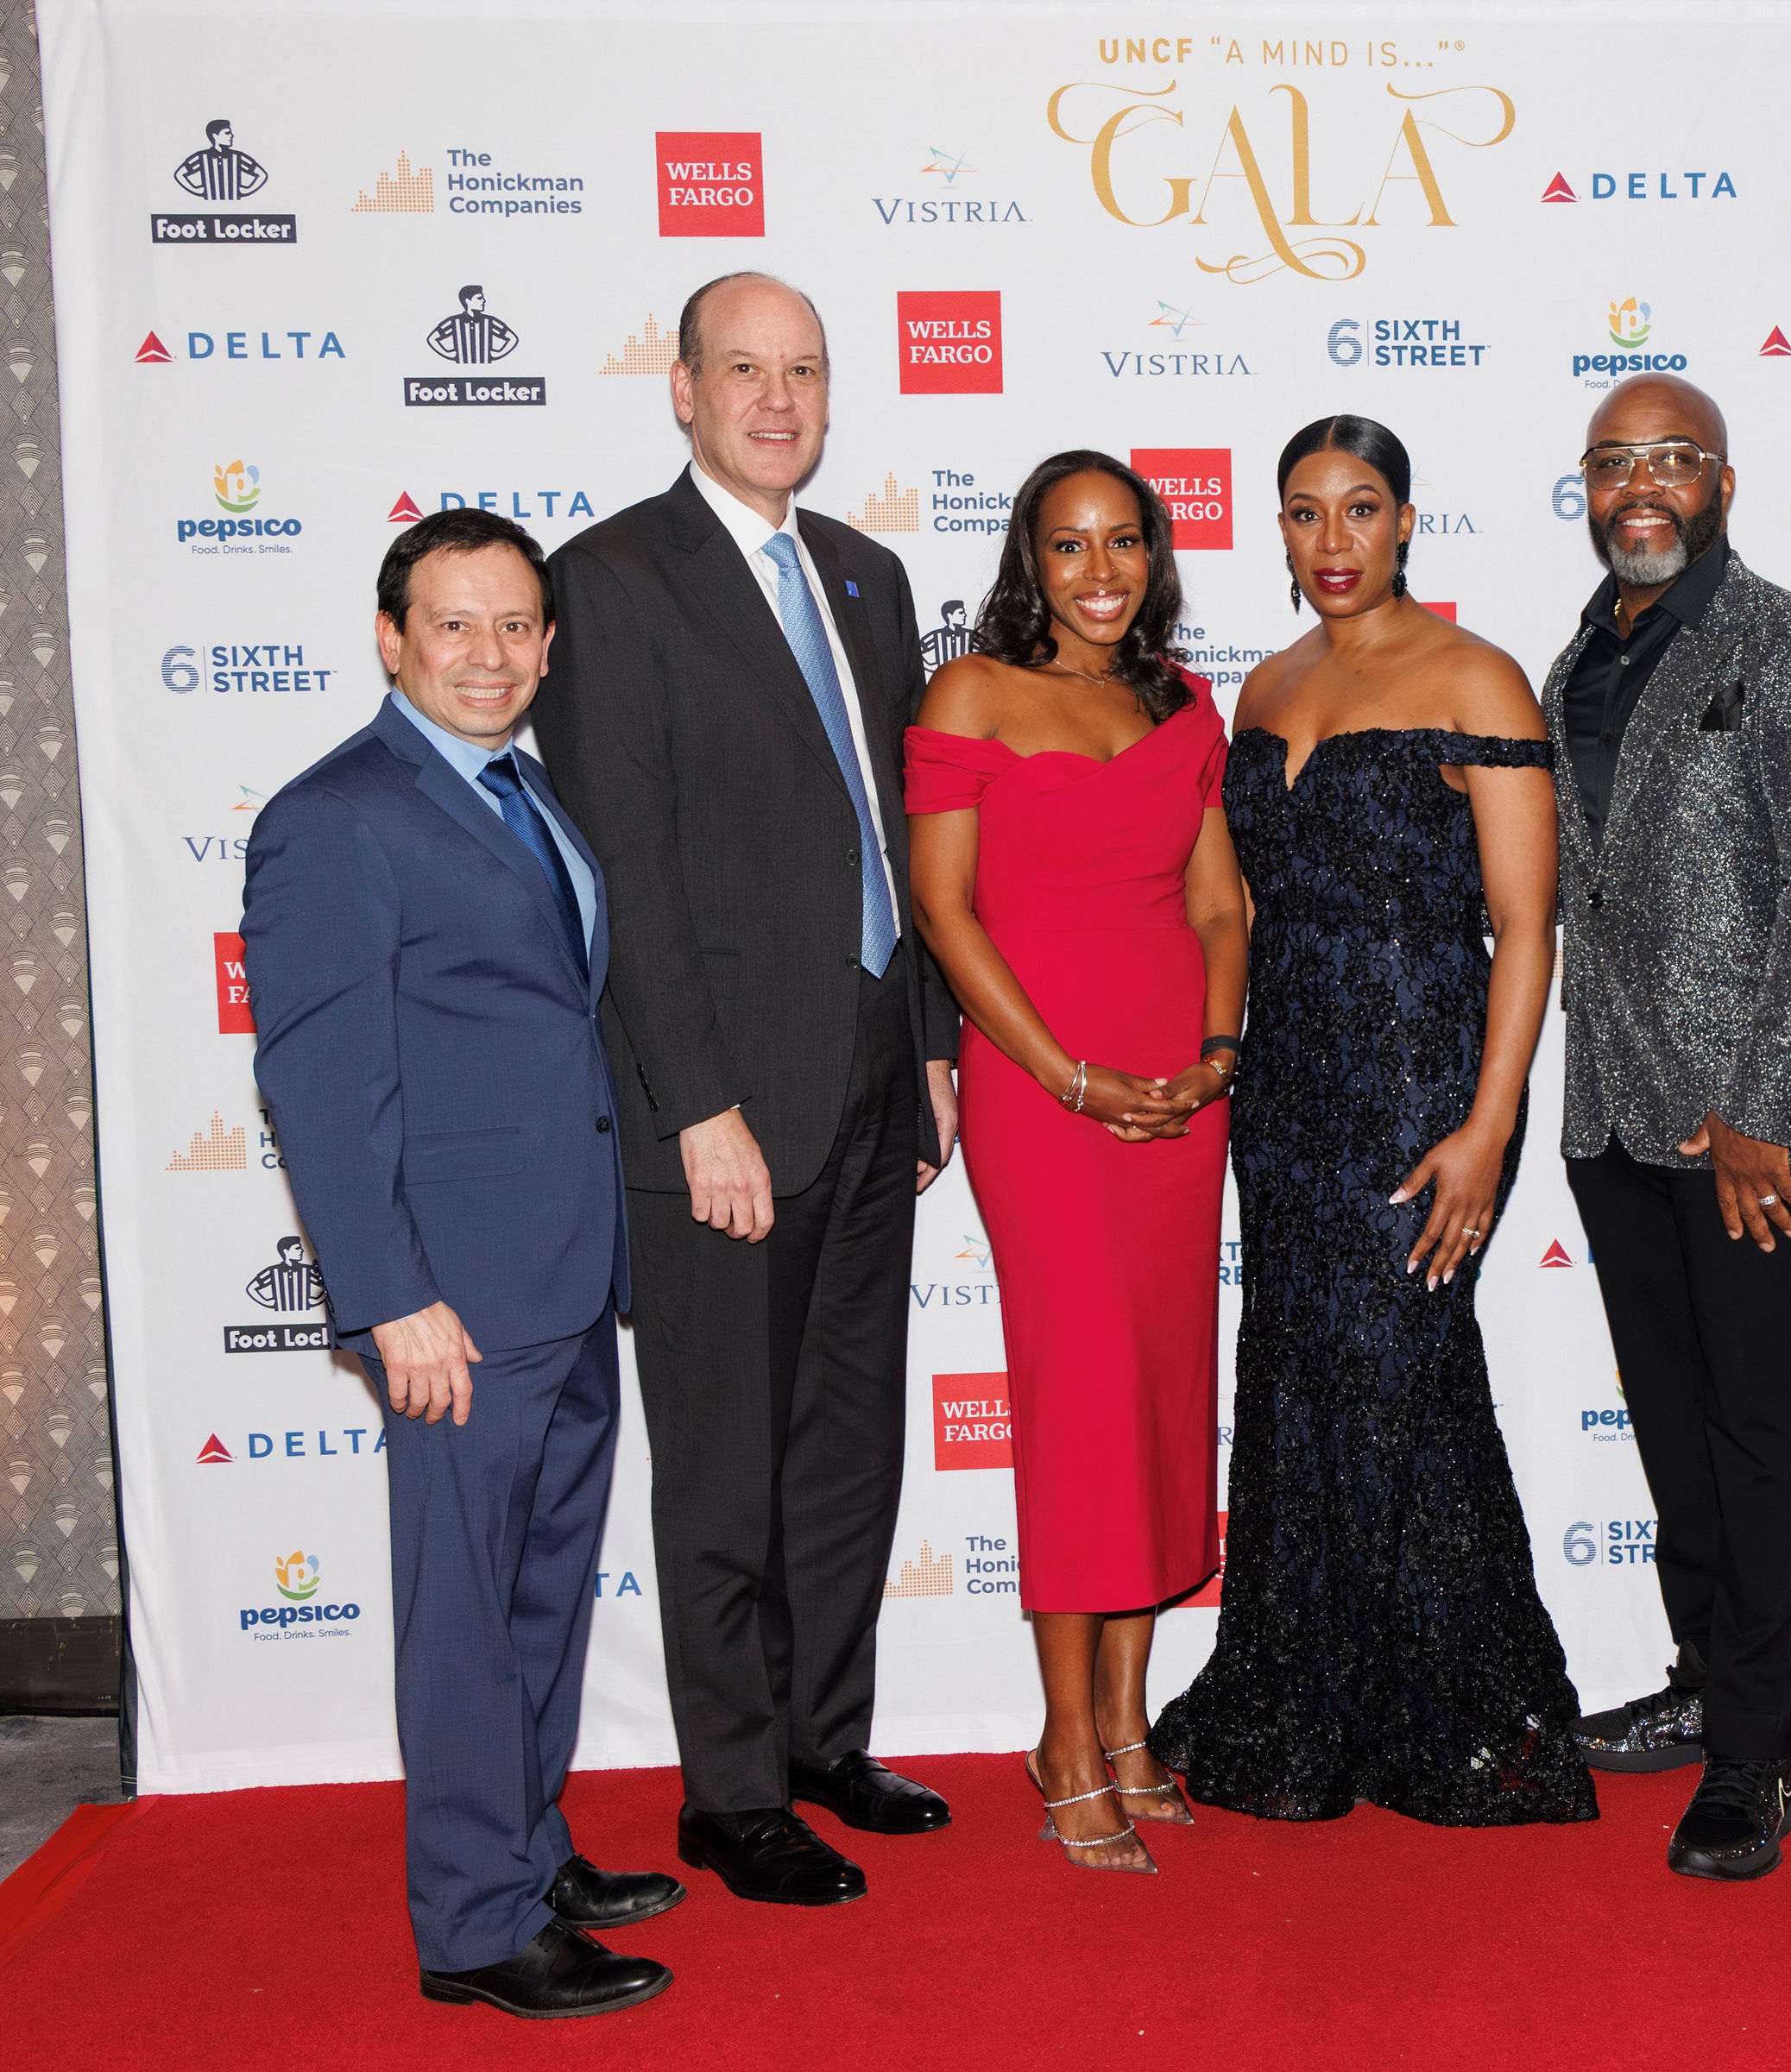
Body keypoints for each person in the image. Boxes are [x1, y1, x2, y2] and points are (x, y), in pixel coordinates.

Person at [533, 272, 962, 1907]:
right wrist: (694, 1102)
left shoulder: (867, 571)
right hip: (715, 1114)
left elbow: (893, 829)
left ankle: (818, 1740)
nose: (779, 400)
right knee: (721, 1456)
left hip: (867, 1075)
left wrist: (925, 1036)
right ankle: (726, 1790)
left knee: (847, 1437)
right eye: (745, 371)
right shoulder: (612, 580)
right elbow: (624, 867)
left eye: (805, 372)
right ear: (682, 387)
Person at [244, 508, 673, 2018]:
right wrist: (386, 1297)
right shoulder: (334, 816)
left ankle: (530, 1849)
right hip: (451, 1304)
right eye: (454, 626)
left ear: (548, 646)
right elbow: (318, 1081)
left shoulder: (526, 792)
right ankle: (475, 1929)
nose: (488, 657)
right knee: (462, 1617)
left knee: (541, 1599)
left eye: (515, 629)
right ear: (391, 637)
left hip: (568, 1275)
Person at [1150, 415, 1598, 1829]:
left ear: (1408, 522)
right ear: (1276, 532)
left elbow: (1527, 929)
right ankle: (1307, 1689)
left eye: (1360, 509)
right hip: (1287, 1078)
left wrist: (1487, 1123)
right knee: (1298, 1370)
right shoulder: (1266, 686)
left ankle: (1457, 1704)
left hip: (1423, 1073)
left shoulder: (1477, 675)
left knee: (1398, 1373)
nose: (1332, 540)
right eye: (1303, 513)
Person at [1547, 374, 1791, 1880]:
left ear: (1725, 482)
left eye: (1672, 460)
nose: (1642, 485)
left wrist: (1754, 1112)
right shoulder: (1582, 656)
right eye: (1615, 462)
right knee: (1677, 1425)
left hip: (1770, 1125)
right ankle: (1708, 1674)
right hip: (1620, 1115)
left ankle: (1758, 1753)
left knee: (1755, 1427)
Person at [906, 451, 1244, 1874]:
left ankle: (1126, 1720)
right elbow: (943, 910)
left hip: (1182, 1088)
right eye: (1067, 546)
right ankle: (1061, 1732)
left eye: (1122, 543)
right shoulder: (970, 696)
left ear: (1152, 555)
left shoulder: (1178, 703)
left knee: (1164, 1396)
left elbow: (1220, 898)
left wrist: (1219, 1050)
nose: (1098, 571)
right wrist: (1071, 1078)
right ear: (1027, 561)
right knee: (1079, 1403)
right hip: (1050, 1094)